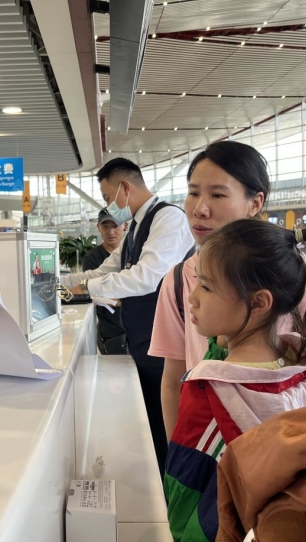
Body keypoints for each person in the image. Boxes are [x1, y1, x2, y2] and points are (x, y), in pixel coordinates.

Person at [165, 219, 306, 542]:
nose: (192, 299)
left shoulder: (209, 390)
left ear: (259, 303)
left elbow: (186, 490)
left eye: (206, 287)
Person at [150, 141, 306, 441]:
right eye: (193, 192)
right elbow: (173, 378)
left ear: (255, 203)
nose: (200, 209)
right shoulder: (178, 281)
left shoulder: (297, 274)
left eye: (217, 194)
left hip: (289, 445)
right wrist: (178, 454)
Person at [62, 158, 194, 475]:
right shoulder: (135, 227)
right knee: (150, 417)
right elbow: (106, 270)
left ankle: (171, 487)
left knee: (167, 424)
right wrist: (61, 283)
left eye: (108, 197)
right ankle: (159, 481)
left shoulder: (168, 219)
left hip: (167, 342)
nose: (109, 206)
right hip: (143, 340)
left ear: (125, 188)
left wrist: (85, 288)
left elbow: (146, 277)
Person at [83, 208, 127, 355]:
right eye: (105, 227)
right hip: (112, 332)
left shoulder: (132, 254)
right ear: (98, 228)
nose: (111, 232)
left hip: (137, 328)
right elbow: (94, 293)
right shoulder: (92, 258)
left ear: (125, 226)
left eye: (115, 226)